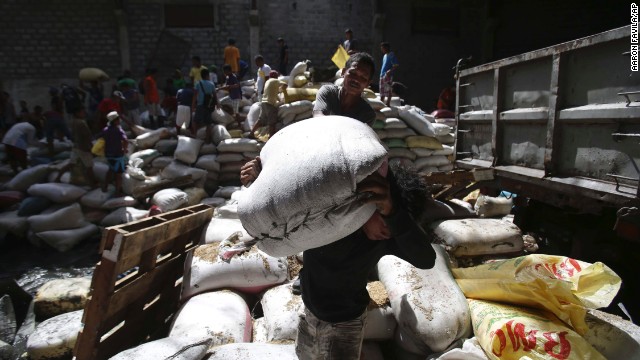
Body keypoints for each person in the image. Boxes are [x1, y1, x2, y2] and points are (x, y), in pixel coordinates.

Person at [240, 156, 437, 360]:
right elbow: (281, 206)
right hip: (309, 313)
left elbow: (426, 259)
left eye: (392, 221)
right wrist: (258, 179)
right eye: (382, 215)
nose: (387, 230)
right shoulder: (328, 218)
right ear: (368, 202)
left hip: (346, 325)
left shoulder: (387, 237)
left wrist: (393, 214)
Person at [313, 52, 377, 126]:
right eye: (353, 73)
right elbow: (318, 118)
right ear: (343, 72)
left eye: (363, 78)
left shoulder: (368, 114)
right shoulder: (328, 92)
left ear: (368, 84)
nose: (356, 80)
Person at [55, 107, 96, 186]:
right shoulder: (82, 123)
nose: (84, 113)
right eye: (82, 112)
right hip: (83, 148)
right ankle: (92, 184)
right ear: (77, 113)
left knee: (71, 164)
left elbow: (73, 135)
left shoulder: (73, 122)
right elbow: (87, 136)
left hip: (76, 147)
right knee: (89, 167)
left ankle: (58, 177)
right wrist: (91, 148)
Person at [99, 111, 128, 196]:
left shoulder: (105, 130)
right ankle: (118, 192)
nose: (119, 121)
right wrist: (124, 149)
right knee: (118, 174)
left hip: (108, 154)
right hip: (117, 155)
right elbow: (125, 140)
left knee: (110, 170)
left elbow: (101, 138)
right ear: (115, 121)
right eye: (118, 119)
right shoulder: (119, 130)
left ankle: (105, 187)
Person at [250, 71, 283, 139]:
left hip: (263, 103)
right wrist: (284, 89)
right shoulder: (275, 80)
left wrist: (280, 100)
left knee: (260, 120)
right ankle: (271, 137)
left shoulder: (267, 82)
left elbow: (273, 93)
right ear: (276, 76)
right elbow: (285, 84)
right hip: (270, 104)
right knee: (272, 122)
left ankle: (251, 133)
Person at [191, 68, 217, 143]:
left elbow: (195, 95)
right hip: (209, 106)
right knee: (208, 123)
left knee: (196, 121)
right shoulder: (211, 84)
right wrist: (217, 104)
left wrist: (193, 106)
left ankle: (195, 136)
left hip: (200, 105)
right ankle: (207, 139)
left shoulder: (198, 83)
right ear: (207, 75)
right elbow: (215, 95)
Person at [379, 42, 399, 107]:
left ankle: (388, 103)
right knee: (382, 90)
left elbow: (395, 65)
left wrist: (389, 71)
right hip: (382, 75)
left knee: (388, 89)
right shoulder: (384, 56)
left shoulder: (391, 55)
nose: (382, 50)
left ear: (387, 48)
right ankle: (381, 103)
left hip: (388, 75)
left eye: (383, 48)